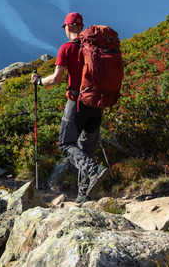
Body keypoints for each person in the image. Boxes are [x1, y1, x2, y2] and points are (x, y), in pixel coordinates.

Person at [31, 12, 109, 204]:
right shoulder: (94, 46)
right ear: (81, 27)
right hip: (96, 103)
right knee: (86, 148)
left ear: (67, 27)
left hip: (77, 103)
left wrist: (39, 81)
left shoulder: (66, 48)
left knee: (66, 144)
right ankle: (84, 194)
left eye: (65, 27)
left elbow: (56, 79)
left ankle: (94, 171)